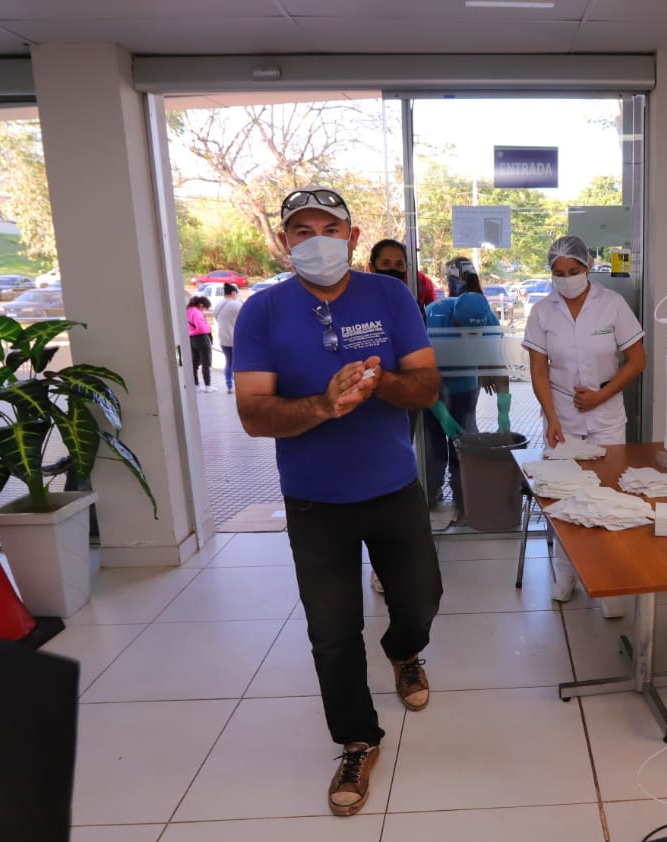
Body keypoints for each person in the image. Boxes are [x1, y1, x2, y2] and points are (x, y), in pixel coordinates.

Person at [233, 186, 443, 818]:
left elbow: (427, 387)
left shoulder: (390, 296)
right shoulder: (262, 311)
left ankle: (403, 650)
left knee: (421, 599)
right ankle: (357, 739)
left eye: (330, 229)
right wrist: (325, 405)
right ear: (284, 241)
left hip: (393, 487)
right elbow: (253, 414)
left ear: (352, 238)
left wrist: (379, 384)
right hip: (314, 501)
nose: (316, 240)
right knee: (332, 631)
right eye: (302, 231)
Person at [524, 235, 646, 611]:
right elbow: (538, 372)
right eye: (558, 273)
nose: (567, 279)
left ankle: (608, 579)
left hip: (607, 416)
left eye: (573, 271)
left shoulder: (613, 304)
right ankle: (566, 574)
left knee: (609, 495)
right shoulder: (542, 311)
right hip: (561, 415)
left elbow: (637, 361)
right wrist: (551, 417)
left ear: (588, 266)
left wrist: (600, 396)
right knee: (564, 495)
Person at [421, 256, 507, 517]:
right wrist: (441, 413)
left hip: (466, 384)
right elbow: (423, 376)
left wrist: (504, 414)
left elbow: (498, 367)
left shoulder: (489, 320)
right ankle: (431, 489)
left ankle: (463, 491)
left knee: (466, 440)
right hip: (433, 385)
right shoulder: (433, 320)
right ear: (455, 322)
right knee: (433, 440)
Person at [368, 238, 437, 314]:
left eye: (399, 264)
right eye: (385, 264)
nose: (393, 269)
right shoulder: (362, 302)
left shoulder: (414, 306)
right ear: (372, 267)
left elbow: (432, 309)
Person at [213, 282, 243, 394]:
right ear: (233, 293)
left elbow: (216, 317)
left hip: (223, 337)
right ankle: (239, 385)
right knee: (238, 363)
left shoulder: (218, 304)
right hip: (236, 338)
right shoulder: (236, 305)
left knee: (228, 362)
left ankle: (229, 386)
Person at [186, 295, 215, 392]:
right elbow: (202, 328)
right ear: (201, 305)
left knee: (194, 363)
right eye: (205, 308)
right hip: (201, 339)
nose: (204, 310)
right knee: (206, 363)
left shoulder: (188, 310)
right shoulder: (196, 312)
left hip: (191, 339)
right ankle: (208, 386)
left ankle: (196, 385)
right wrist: (209, 328)